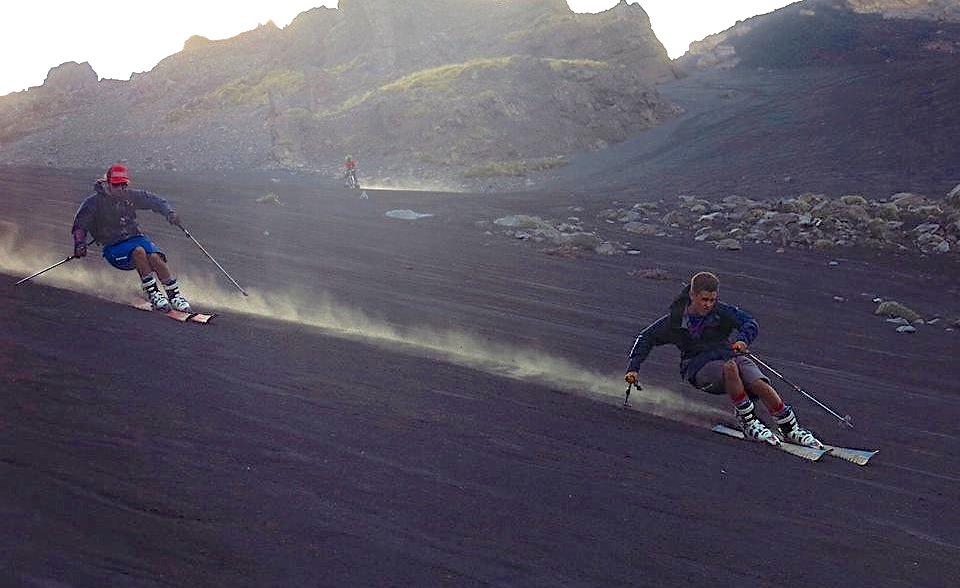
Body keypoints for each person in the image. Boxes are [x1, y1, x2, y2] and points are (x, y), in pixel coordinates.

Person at [624, 271, 821, 447]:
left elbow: (749, 322)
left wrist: (743, 340)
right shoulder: (676, 319)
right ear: (692, 295)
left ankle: (789, 428)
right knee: (731, 367)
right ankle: (748, 422)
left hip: (728, 355)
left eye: (712, 300)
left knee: (757, 380)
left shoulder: (721, 311)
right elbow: (646, 337)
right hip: (698, 368)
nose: (708, 305)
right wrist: (633, 367)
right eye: (704, 300)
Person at [71, 163, 191, 312]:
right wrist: (79, 243)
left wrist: (169, 213)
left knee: (155, 257)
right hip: (113, 246)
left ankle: (174, 296)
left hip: (135, 238)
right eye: (117, 185)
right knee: (139, 251)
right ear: (108, 184)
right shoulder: (94, 203)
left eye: (124, 185)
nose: (121, 189)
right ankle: (153, 294)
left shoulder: (131, 196)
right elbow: (80, 225)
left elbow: (155, 201)